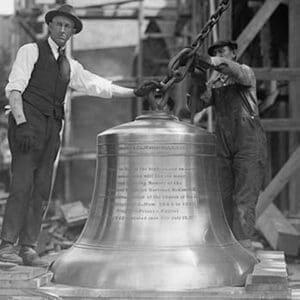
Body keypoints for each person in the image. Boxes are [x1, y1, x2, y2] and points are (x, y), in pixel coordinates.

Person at [0, 4, 158, 267]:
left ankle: (27, 247)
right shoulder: (31, 51)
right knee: (22, 185)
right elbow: (14, 89)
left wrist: (134, 93)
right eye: (59, 24)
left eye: (68, 27)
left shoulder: (69, 65)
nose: (63, 30)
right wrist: (22, 122)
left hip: (52, 129)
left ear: (73, 32)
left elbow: (97, 85)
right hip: (28, 126)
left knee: (42, 189)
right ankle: (6, 246)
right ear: (50, 26)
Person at [187, 40, 267, 249]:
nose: (219, 55)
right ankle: (225, 248)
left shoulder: (245, 73)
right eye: (215, 53)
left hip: (248, 143)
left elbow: (234, 71)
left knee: (243, 200)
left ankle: (243, 251)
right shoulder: (216, 84)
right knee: (222, 198)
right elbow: (195, 106)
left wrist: (209, 60)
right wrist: (196, 77)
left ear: (233, 53)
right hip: (224, 144)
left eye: (222, 52)